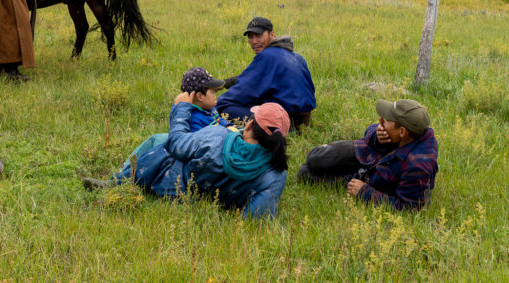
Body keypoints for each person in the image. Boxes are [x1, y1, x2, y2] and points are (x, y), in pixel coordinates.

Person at [84, 98, 291, 219]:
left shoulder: (217, 136)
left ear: (248, 125)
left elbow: (177, 144)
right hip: (210, 200)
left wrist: (182, 107)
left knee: (162, 144)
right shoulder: (277, 172)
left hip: (172, 187)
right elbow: (256, 218)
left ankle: (115, 183)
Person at [297, 99, 438, 211]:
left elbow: (409, 208)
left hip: (370, 177)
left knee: (304, 174)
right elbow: (369, 133)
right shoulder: (412, 130)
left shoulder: (418, 166)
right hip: (366, 153)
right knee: (315, 158)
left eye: (386, 120)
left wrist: (365, 193)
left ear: (402, 132)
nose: (380, 121)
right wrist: (376, 134)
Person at [216, 16, 316, 130]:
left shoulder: (267, 56)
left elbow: (242, 91)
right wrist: (225, 83)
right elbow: (251, 77)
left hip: (285, 122)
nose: (254, 41)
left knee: (226, 109)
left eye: (258, 35)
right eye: (250, 37)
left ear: (272, 34)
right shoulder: (296, 57)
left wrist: (214, 105)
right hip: (304, 119)